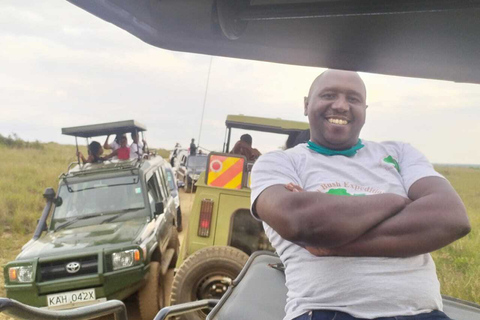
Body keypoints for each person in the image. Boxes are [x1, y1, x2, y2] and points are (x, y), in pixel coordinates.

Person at [251, 70, 471, 320]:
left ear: (365, 110)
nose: (341, 105)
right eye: (329, 95)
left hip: (424, 314)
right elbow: (300, 220)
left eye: (353, 99)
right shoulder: (278, 163)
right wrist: (396, 201)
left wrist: (331, 242)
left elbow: (452, 219)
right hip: (327, 313)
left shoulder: (399, 153)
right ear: (306, 104)